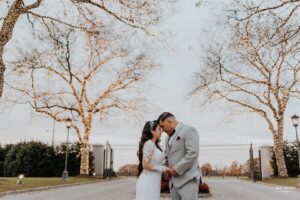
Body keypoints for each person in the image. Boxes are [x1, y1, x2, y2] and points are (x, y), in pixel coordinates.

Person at [158, 112, 201, 200]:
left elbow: (193, 153)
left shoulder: (189, 130)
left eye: (162, 126)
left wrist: (177, 169)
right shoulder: (166, 139)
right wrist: (165, 169)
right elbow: (168, 157)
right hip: (173, 183)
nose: (162, 130)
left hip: (188, 180)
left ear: (169, 121)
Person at [135, 120, 170, 200]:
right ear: (152, 131)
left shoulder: (155, 145)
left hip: (154, 181)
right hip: (148, 182)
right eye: (159, 129)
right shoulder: (149, 144)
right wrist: (164, 169)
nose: (161, 131)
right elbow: (145, 165)